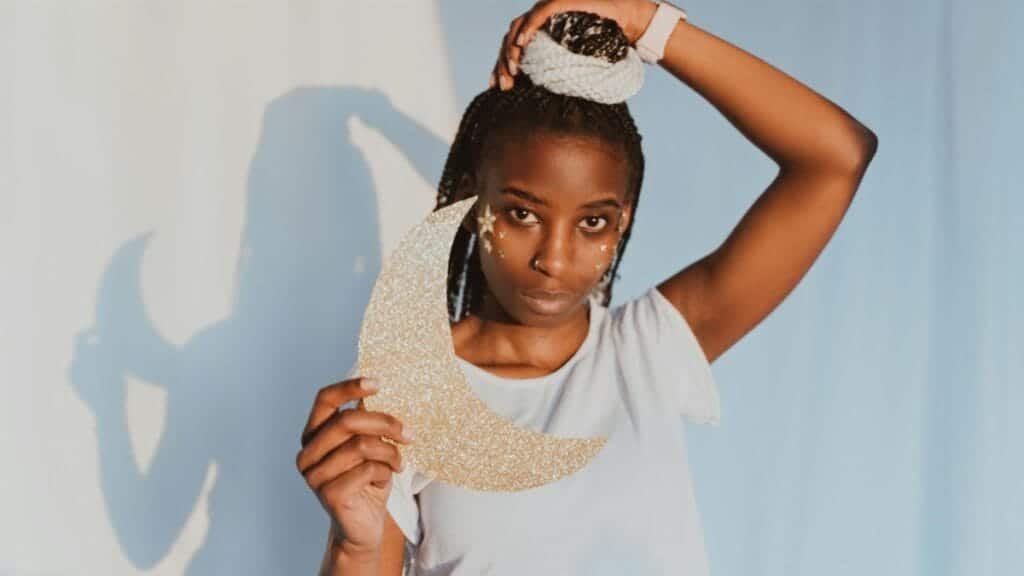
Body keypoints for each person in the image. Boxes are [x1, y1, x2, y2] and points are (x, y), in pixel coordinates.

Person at [296, 1, 878, 574]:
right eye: (522, 214)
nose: (555, 259)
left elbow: (837, 155)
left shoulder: (645, 354)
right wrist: (353, 548)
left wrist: (648, 23)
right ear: (475, 202)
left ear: (622, 220)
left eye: (592, 223)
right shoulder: (409, 390)